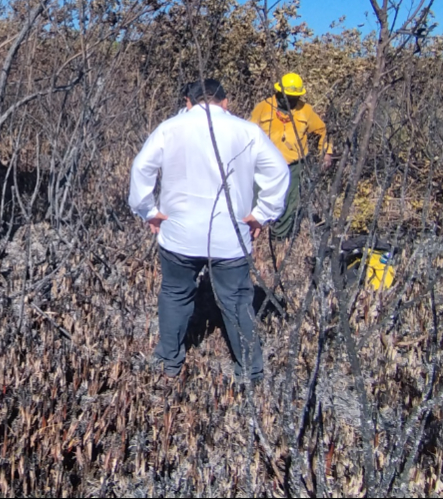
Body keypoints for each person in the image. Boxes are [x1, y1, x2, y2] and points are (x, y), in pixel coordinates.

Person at [128, 79, 290, 382]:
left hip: (179, 233)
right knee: (237, 301)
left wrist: (148, 211)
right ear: (225, 103)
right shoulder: (247, 131)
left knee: (175, 294)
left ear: (188, 102)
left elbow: (141, 168)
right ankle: (251, 373)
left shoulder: (170, 127)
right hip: (231, 235)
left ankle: (168, 362)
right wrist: (260, 215)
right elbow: (279, 171)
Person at [250, 72, 332, 241]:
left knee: (289, 202)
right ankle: (251, 236)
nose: (291, 101)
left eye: (295, 97)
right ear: (279, 93)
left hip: (293, 166)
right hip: (263, 165)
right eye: (288, 97)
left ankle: (278, 239)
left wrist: (327, 153)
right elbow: (248, 131)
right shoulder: (263, 107)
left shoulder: (305, 110)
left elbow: (322, 130)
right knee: (256, 198)